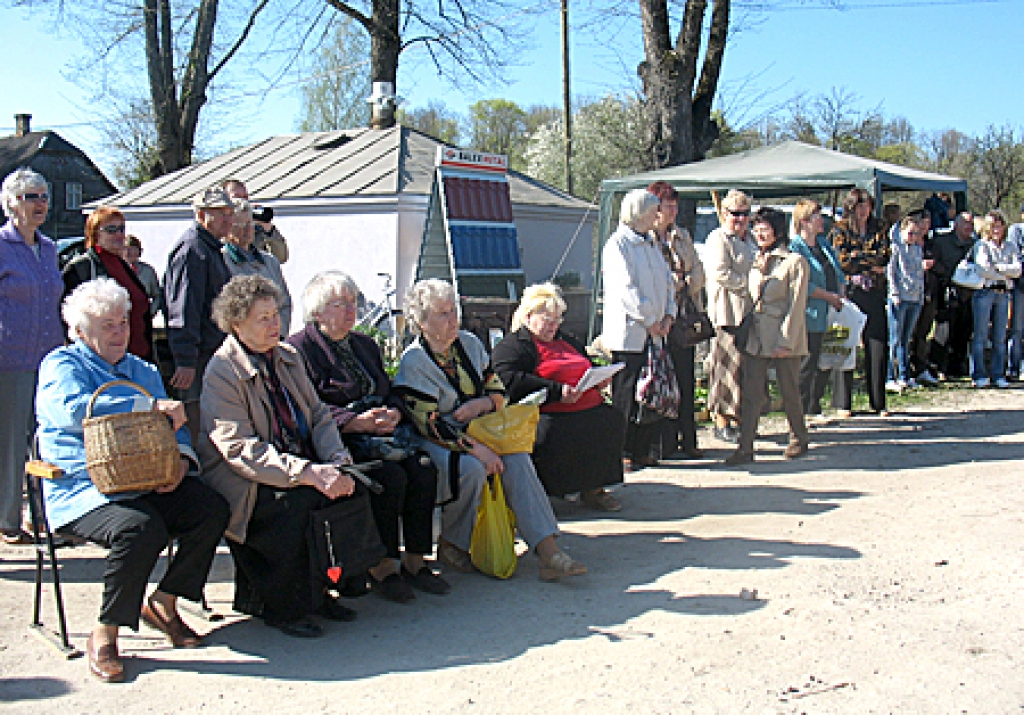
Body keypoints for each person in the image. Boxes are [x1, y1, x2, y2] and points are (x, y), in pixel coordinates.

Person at [36, 278, 229, 682]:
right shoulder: (62, 365)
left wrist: (179, 459)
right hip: (83, 488)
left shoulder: (140, 368)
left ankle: (165, 601)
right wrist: (148, 406)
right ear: (81, 331)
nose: (120, 332)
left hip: (143, 478)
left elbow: (174, 423)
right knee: (140, 528)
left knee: (210, 508)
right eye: (107, 325)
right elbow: (75, 411)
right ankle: (105, 633)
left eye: (123, 323)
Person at [198, 275, 373, 638]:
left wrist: (336, 459)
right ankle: (282, 606)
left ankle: (322, 590)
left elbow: (320, 415)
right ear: (236, 324)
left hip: (293, 459)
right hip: (242, 476)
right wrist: (308, 472)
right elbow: (239, 449)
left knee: (354, 485)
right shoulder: (222, 370)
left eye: (275, 314)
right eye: (262, 318)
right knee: (298, 502)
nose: (274, 324)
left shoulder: (287, 357)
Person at [393, 279, 587, 581]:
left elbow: (498, 390)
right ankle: (452, 543)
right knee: (470, 468)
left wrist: (481, 405)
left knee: (518, 460)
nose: (453, 319)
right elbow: (428, 424)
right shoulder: (415, 361)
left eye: (453, 310)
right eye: (443, 313)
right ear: (421, 321)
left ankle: (548, 551)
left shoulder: (469, 344)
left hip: (480, 426)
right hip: (437, 438)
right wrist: (476, 448)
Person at [287, 271, 449, 602]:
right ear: (318, 311)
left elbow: (388, 390)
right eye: (341, 304)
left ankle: (415, 560)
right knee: (389, 478)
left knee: (423, 467)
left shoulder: (364, 344)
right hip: (338, 441)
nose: (351, 310)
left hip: (382, 434)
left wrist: (393, 412)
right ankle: (383, 565)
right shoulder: (298, 350)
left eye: (353, 302)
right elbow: (306, 408)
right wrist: (354, 422)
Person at [491, 282, 626, 511]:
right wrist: (557, 391)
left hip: (587, 403)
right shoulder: (514, 345)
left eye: (557, 320)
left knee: (609, 419)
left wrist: (599, 376)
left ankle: (594, 488)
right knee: (556, 430)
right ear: (529, 316)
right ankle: (551, 493)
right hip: (549, 409)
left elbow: (585, 362)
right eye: (547, 320)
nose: (553, 326)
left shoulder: (566, 339)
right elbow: (509, 379)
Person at [0, 167, 63, 545]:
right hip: (10, 360)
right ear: (11, 204)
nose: (40, 204)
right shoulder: (2, 245)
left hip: (49, 359)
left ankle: (44, 516)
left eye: (43, 196)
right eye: (30, 197)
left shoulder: (50, 248)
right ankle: (8, 519)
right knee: (11, 443)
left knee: (47, 439)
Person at [724, 208, 810, 465]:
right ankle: (745, 446)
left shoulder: (794, 262)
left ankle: (799, 438)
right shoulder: (755, 259)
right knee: (751, 393)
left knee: (789, 390)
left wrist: (786, 341)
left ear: (778, 230)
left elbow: (796, 305)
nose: (759, 233)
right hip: (756, 336)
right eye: (756, 228)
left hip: (782, 335)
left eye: (764, 228)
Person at [600, 188, 675, 469]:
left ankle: (644, 447)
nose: (659, 215)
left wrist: (668, 314)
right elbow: (626, 289)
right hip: (629, 335)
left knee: (652, 392)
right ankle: (622, 451)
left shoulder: (653, 244)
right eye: (654, 210)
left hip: (656, 333)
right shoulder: (618, 245)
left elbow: (668, 282)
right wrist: (649, 319)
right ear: (639, 212)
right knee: (627, 394)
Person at [163, 185, 234, 442]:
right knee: (194, 422)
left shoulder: (211, 249)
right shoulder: (193, 249)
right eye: (220, 213)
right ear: (201, 215)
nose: (229, 219)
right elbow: (183, 307)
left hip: (212, 352)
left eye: (230, 212)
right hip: (198, 358)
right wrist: (185, 359)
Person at [647, 180, 706, 459]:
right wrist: (668, 284)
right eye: (667, 206)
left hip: (683, 319)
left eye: (674, 206)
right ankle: (663, 443)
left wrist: (685, 282)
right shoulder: (645, 239)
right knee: (661, 381)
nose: (671, 212)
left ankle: (689, 438)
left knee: (685, 379)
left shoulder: (682, 236)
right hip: (658, 320)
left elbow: (699, 272)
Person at [62, 206, 153, 362]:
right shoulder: (82, 267)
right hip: (102, 360)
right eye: (111, 230)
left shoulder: (124, 266)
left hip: (136, 358)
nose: (119, 234)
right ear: (95, 233)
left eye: (121, 229)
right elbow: (68, 319)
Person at [830, 188, 889, 416]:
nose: (864, 211)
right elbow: (841, 260)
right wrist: (864, 260)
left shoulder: (879, 227)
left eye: (867, 206)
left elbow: (884, 255)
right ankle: (843, 402)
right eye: (860, 206)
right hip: (850, 292)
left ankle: (878, 402)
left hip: (874, 290)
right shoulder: (840, 229)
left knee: (878, 345)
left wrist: (858, 257)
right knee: (845, 344)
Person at [705, 189, 756, 443]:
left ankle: (739, 417)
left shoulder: (749, 240)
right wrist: (750, 283)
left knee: (742, 370)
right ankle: (721, 418)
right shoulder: (718, 238)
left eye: (745, 214)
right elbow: (719, 272)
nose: (740, 219)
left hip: (748, 312)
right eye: (736, 213)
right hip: (726, 313)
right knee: (725, 369)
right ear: (725, 213)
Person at [789, 199, 845, 423]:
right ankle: (800, 409)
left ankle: (815, 404)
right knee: (807, 361)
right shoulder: (796, 248)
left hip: (830, 309)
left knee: (825, 358)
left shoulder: (823, 244)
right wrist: (827, 296)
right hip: (809, 312)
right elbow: (802, 283)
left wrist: (840, 290)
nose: (821, 221)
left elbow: (835, 269)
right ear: (804, 221)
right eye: (816, 217)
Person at [223, 198, 293, 331]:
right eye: (240, 226)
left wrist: (278, 333)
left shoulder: (269, 261)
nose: (247, 230)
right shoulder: (221, 260)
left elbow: (284, 304)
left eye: (250, 224)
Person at [970, 210, 1021, 388]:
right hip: (985, 292)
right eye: (993, 227)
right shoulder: (982, 246)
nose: (997, 230)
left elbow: (1018, 269)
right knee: (981, 336)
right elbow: (983, 268)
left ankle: (998, 374)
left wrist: (998, 268)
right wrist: (1005, 272)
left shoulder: (1010, 246)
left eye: (999, 226)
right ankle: (979, 374)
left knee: (1000, 336)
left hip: (1004, 294)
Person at [932, 212, 977, 378]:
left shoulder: (975, 244)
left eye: (971, 224)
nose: (969, 227)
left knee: (964, 331)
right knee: (944, 332)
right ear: (956, 224)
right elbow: (933, 262)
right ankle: (938, 366)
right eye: (965, 223)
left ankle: (957, 367)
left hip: (968, 294)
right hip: (947, 292)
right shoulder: (942, 242)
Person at [886, 216, 927, 392]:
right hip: (899, 298)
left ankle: (904, 375)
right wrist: (894, 293)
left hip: (915, 298)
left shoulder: (917, 250)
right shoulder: (895, 249)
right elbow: (891, 272)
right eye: (910, 233)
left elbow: (919, 274)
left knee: (906, 338)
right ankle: (889, 376)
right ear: (902, 231)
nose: (912, 236)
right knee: (894, 339)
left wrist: (921, 295)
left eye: (916, 233)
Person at [907, 210, 941, 386]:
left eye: (928, 224)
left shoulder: (932, 245)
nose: (925, 227)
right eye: (922, 223)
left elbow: (941, 266)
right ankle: (906, 370)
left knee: (923, 333)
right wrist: (918, 265)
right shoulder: (906, 244)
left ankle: (921, 368)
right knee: (908, 333)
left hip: (929, 293)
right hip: (910, 294)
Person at [124, 234, 164, 318]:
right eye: (125, 249)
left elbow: (157, 296)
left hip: (142, 317)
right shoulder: (116, 270)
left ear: (140, 251)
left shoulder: (148, 271)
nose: (128, 253)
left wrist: (150, 313)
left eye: (132, 249)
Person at [1006, 205, 1024, 380]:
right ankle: (1014, 367)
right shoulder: (1016, 230)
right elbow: (1016, 257)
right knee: (1017, 329)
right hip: (1020, 286)